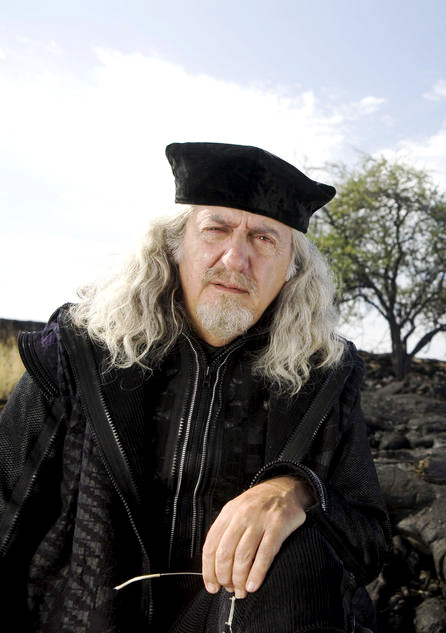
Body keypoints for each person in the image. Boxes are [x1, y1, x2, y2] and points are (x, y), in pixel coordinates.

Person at [0, 142, 390, 632]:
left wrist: (299, 491)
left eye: (265, 239)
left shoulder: (324, 374)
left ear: (293, 268)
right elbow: (7, 504)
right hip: (93, 615)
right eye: (216, 229)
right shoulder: (80, 348)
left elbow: (370, 540)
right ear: (175, 244)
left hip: (249, 618)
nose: (236, 258)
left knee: (297, 542)